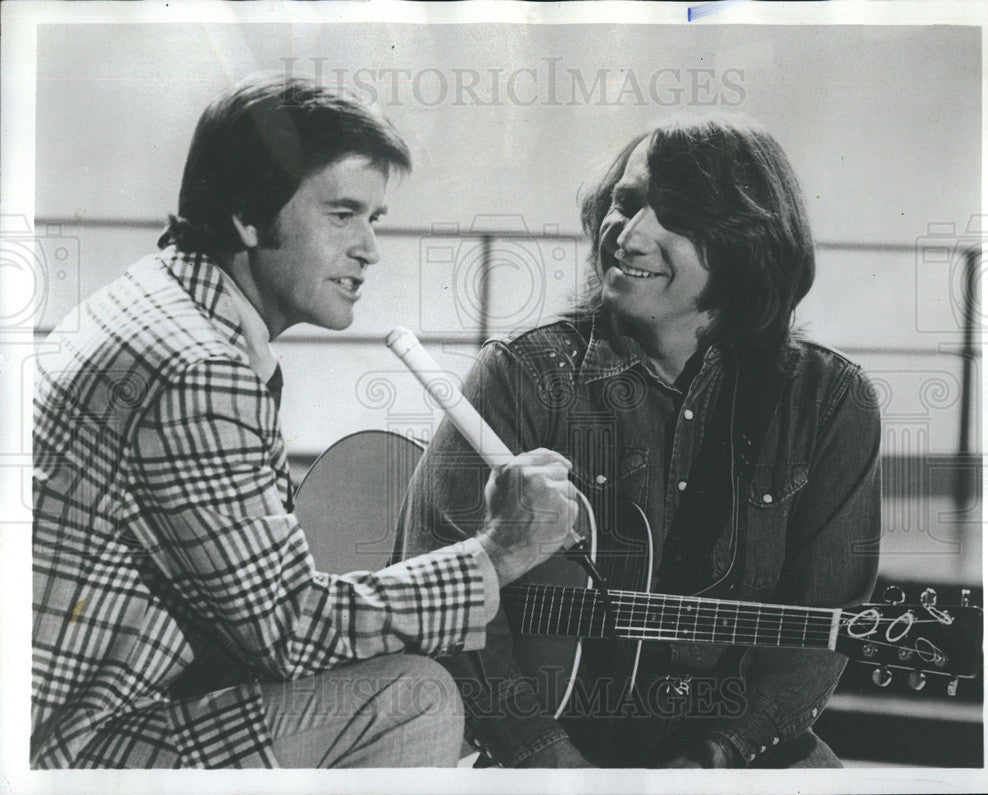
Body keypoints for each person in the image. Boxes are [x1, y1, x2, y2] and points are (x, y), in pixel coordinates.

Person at [31, 75, 578, 769]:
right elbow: (287, 629)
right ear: (246, 214)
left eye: (373, 219)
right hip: (77, 750)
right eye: (343, 213)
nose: (369, 249)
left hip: (83, 713)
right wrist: (499, 551)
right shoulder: (198, 365)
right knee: (415, 696)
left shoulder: (160, 304)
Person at [397, 113, 882, 768]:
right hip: (550, 748)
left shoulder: (831, 402)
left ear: (748, 243)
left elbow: (818, 631)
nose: (630, 234)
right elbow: (444, 608)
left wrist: (716, 756)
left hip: (734, 749)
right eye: (625, 203)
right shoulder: (520, 377)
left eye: (676, 216)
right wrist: (553, 762)